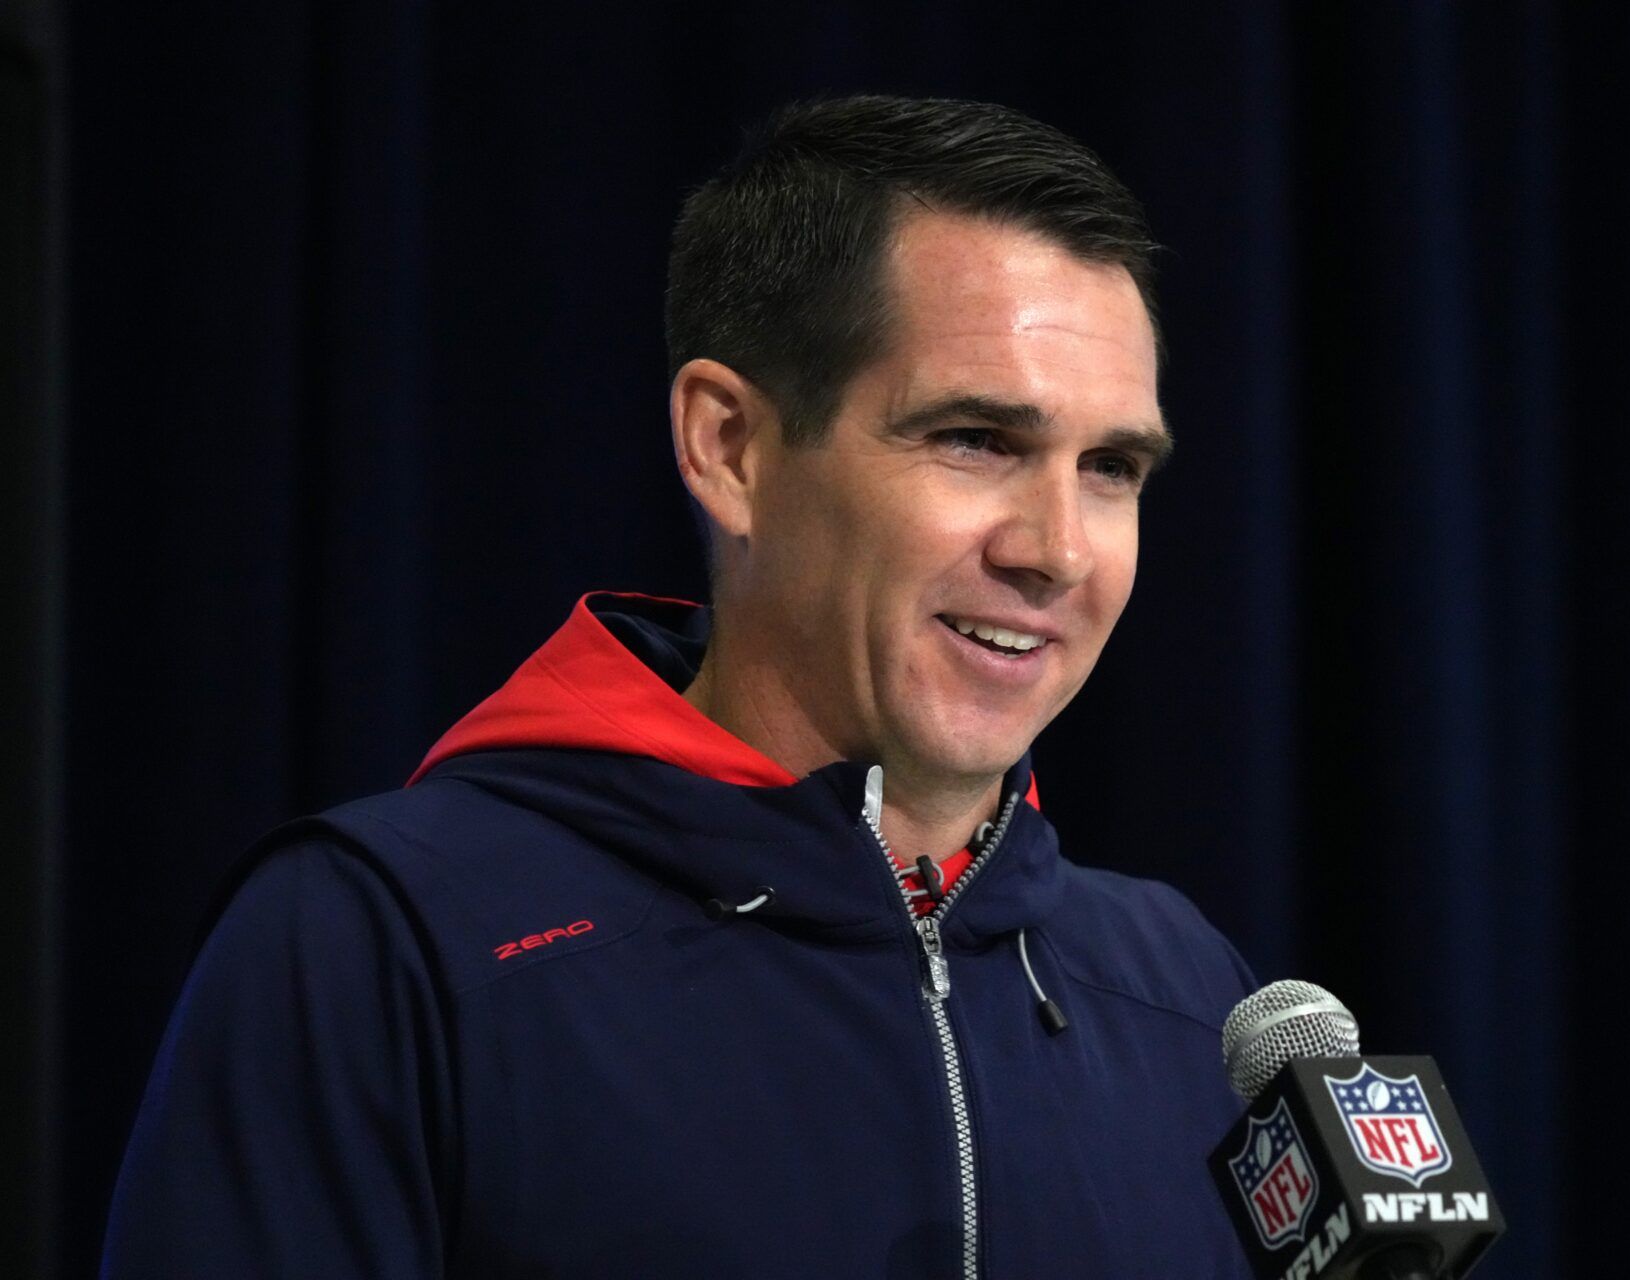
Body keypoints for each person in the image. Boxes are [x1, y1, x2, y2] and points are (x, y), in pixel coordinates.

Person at [103, 95, 1258, 1278]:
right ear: (729, 447)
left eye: (1111, 466)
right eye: (974, 438)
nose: (1059, 549)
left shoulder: (1188, 988)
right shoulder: (380, 938)